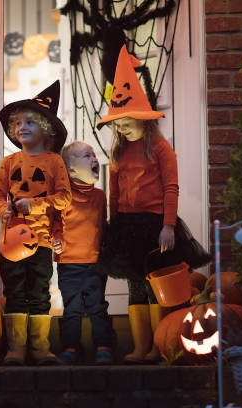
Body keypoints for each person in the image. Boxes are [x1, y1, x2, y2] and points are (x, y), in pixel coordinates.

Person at [96, 45, 211, 364]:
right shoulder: (119, 152)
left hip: (155, 226)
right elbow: (114, 193)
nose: (120, 130)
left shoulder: (160, 149)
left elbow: (171, 187)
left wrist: (169, 226)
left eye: (126, 123)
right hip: (126, 228)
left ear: (144, 119)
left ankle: (162, 345)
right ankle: (139, 347)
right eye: (116, 125)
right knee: (134, 286)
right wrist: (112, 222)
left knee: (154, 286)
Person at [0, 80, 71, 365]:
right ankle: (16, 349)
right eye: (18, 123)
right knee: (14, 292)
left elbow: (64, 198)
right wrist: (3, 210)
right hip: (11, 240)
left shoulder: (54, 163)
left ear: (45, 129)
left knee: (38, 292)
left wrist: (35, 205)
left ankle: (40, 348)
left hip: (41, 241)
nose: (21, 127)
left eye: (30, 122)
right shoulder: (8, 163)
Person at [51, 141, 113, 365]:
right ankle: (71, 347)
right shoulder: (63, 197)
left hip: (95, 262)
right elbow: (55, 223)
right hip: (69, 263)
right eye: (87, 156)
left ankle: (103, 345)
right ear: (70, 169)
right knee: (73, 308)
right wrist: (56, 239)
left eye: (94, 154)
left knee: (97, 306)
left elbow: (101, 227)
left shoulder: (99, 197)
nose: (95, 159)